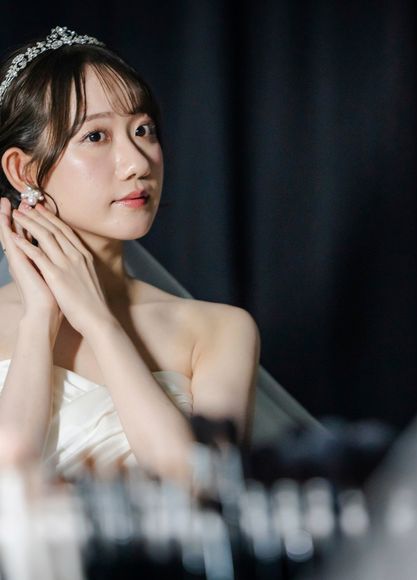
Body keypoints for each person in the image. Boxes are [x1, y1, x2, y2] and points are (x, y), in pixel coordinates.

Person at [0, 26, 260, 481]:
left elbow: (203, 488)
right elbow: (9, 470)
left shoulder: (220, 330)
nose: (138, 162)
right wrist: (39, 320)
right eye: (96, 136)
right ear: (23, 170)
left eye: (143, 130)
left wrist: (100, 324)